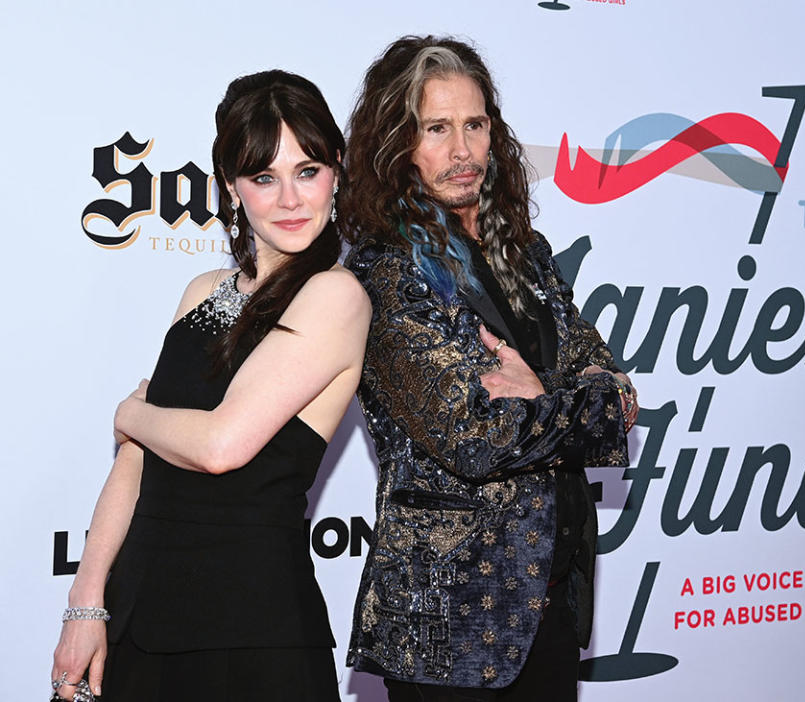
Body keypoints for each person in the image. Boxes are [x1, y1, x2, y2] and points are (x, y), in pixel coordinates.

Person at [50, 70, 370, 702]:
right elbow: (135, 466)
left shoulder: (336, 295)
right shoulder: (202, 292)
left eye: (308, 171)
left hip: (249, 631)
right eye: (263, 178)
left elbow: (220, 446)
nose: (290, 200)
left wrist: (130, 411)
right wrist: (86, 602)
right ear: (231, 187)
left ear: (337, 171)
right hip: (140, 608)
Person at [340, 36, 638, 701]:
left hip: (547, 607)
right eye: (437, 129)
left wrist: (540, 394)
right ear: (396, 143)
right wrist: (569, 399)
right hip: (448, 627)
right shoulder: (386, 274)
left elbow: (617, 396)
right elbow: (475, 437)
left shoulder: (526, 254)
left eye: (475, 125)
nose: (464, 150)